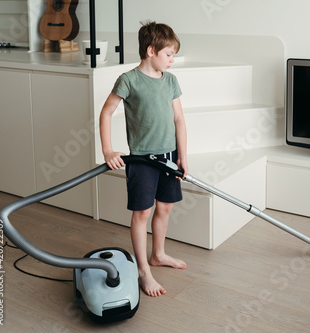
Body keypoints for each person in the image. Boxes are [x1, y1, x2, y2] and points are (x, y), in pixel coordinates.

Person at [99, 21, 188, 297]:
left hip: (169, 157)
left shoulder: (171, 81)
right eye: (168, 54)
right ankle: (142, 270)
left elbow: (179, 119)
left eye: (173, 55)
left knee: (165, 208)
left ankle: (158, 254)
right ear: (151, 51)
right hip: (141, 159)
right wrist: (108, 151)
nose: (172, 60)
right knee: (142, 213)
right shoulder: (129, 80)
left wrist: (182, 157)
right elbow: (105, 113)